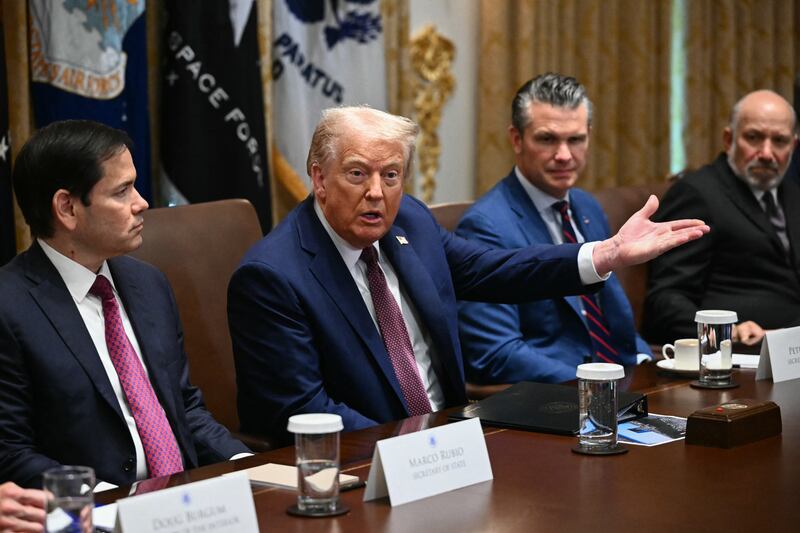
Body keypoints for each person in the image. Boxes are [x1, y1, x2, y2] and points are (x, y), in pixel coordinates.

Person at [228, 106, 708, 443]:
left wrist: (604, 255)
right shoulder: (272, 277)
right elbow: (305, 412)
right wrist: (423, 448)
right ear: (318, 177)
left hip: (454, 441)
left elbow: (492, 270)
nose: (377, 193)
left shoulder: (410, 220)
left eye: (391, 175)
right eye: (357, 174)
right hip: (369, 463)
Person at [0, 120, 250, 489]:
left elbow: (183, 408)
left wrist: (245, 464)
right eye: (122, 191)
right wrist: (106, 503)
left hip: (188, 505)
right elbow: (10, 451)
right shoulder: (9, 307)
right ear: (66, 208)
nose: (142, 203)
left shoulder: (148, 283)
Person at [456, 73, 652, 385]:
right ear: (517, 139)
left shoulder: (586, 206)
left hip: (619, 386)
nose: (564, 155)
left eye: (575, 139)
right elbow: (494, 352)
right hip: (557, 398)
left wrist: (645, 363)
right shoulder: (486, 225)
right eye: (547, 139)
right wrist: (595, 386)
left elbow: (613, 319)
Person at [643, 90, 800, 345]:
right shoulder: (697, 194)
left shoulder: (792, 194)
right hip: (739, 357)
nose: (767, 153)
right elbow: (666, 300)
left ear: (793, 147)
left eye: (779, 141)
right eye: (753, 137)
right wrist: (727, 332)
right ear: (729, 140)